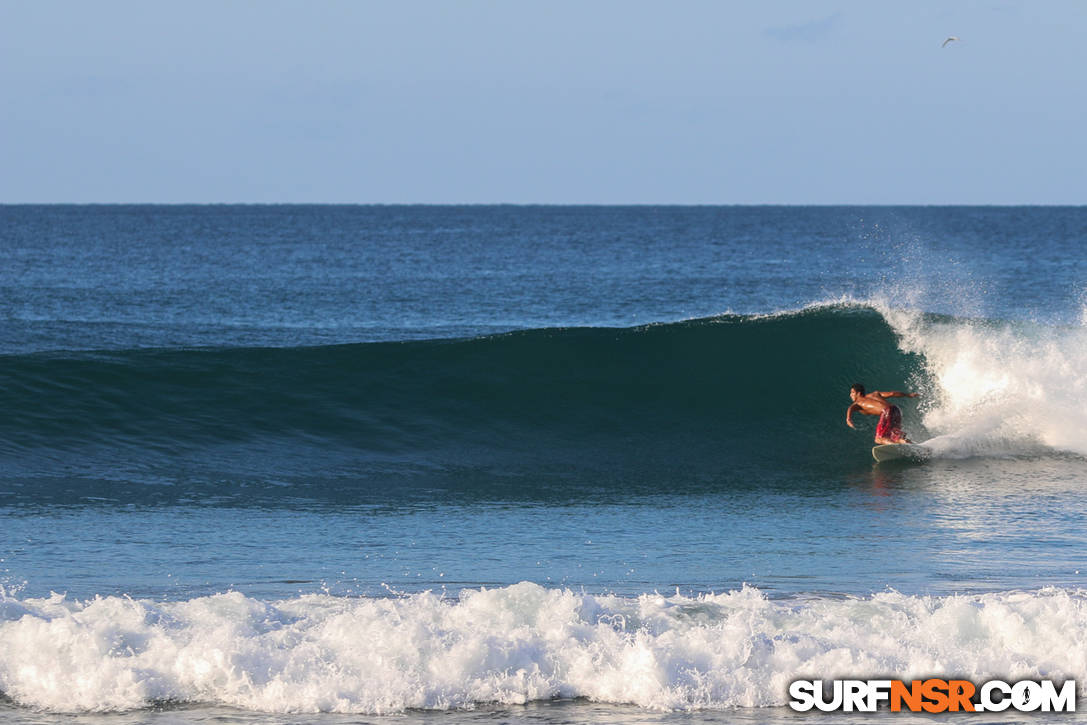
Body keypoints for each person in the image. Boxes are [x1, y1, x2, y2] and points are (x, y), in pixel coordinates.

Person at [845, 383, 919, 444]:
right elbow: (892, 393)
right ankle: (911, 445)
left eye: (852, 392)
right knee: (894, 436)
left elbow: (850, 408)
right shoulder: (874, 394)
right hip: (896, 409)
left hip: (886, 412)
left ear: (858, 393)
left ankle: (896, 445)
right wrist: (908, 395)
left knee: (878, 439)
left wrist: (848, 419)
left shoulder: (858, 403)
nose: (850, 395)